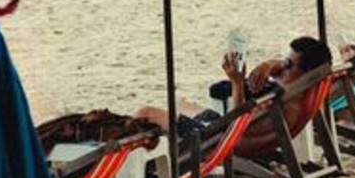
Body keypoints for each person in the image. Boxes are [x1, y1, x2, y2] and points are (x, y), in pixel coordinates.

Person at [137, 37, 334, 161]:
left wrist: (237, 82)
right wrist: (271, 64)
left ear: (306, 73)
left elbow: (238, 127)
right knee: (182, 105)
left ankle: (141, 162)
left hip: (219, 141)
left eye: (289, 64)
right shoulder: (299, 94)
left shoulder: (286, 108)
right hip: (223, 131)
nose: (283, 66)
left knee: (146, 113)